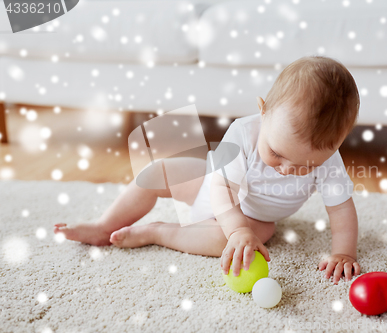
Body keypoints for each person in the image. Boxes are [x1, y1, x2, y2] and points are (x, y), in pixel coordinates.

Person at [54, 55, 361, 284]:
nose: (286, 169)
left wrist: (344, 252)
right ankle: (104, 225)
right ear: (262, 110)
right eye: (277, 154)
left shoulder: (330, 159)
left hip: (256, 217)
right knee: (157, 171)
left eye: (307, 165)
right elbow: (221, 189)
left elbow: (341, 210)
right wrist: (236, 228)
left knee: (231, 242)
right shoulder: (244, 133)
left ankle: (159, 232)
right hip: (211, 186)